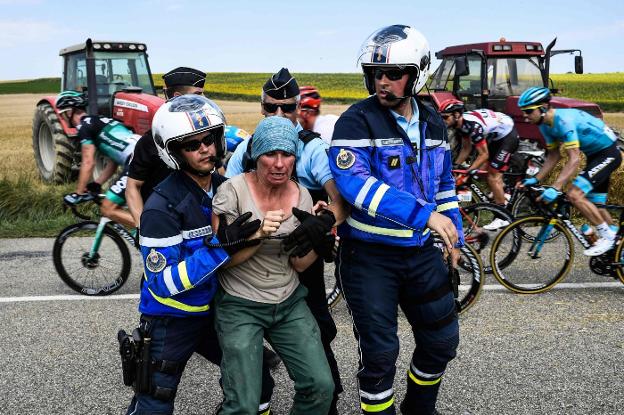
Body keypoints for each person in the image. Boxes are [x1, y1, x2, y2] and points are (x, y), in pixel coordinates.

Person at [326, 25, 462, 414]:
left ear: (417, 73)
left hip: (421, 254)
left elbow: (445, 185)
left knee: (441, 343)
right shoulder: (355, 122)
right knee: (381, 355)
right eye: (375, 74)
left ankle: (419, 408)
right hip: (370, 259)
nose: (382, 83)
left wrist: (455, 237)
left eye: (393, 74)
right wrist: (426, 216)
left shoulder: (433, 121)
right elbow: (355, 186)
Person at [125, 94, 274, 415]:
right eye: (192, 145)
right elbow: (163, 284)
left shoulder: (227, 188)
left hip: (214, 310)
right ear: (174, 152)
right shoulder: (160, 207)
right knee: (155, 399)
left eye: (209, 139)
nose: (205, 148)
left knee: (256, 374)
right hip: (171, 320)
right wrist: (219, 247)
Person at [225, 68, 346, 413]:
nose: (280, 115)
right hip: (251, 257)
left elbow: (340, 201)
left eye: (288, 108)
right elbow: (222, 194)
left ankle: (326, 402)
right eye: (272, 107)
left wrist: (322, 223)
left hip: (300, 254)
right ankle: (252, 396)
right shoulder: (247, 149)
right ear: (262, 107)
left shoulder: (312, 148)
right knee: (243, 341)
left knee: (319, 332)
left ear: (298, 108)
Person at [518, 86, 622, 256]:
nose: (525, 116)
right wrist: (536, 179)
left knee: (574, 195)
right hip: (595, 156)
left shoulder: (563, 121)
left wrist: (556, 187)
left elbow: (574, 159)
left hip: (608, 154)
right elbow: (554, 156)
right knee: (596, 206)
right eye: (523, 111)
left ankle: (608, 237)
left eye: (528, 111)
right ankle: (618, 247)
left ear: (543, 108)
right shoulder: (544, 125)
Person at [57, 90, 137, 227]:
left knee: (108, 208)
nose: (62, 118)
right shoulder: (99, 121)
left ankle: (151, 235)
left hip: (137, 161)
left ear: (69, 112)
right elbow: (113, 162)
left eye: (62, 113)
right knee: (135, 205)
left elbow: (88, 162)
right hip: (146, 156)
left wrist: (79, 192)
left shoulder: (83, 127)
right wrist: (97, 183)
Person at [438, 98, 519, 230]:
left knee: (492, 175)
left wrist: (468, 171)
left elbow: (484, 154)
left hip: (507, 135)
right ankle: (504, 191)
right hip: (497, 134)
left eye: (445, 117)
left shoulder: (472, 126)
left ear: (457, 115)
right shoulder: (460, 125)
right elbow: (466, 148)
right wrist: (455, 167)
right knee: (481, 170)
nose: (443, 121)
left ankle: (503, 217)